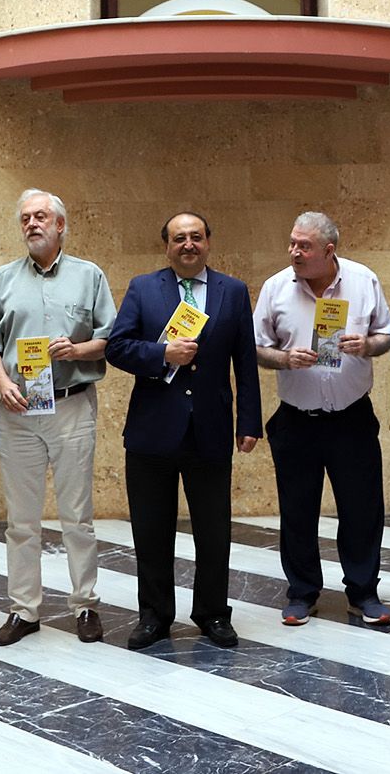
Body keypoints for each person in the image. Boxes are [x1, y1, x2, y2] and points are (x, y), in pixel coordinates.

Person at [106, 211, 261, 650]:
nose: (188, 244)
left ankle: (213, 613)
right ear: (167, 246)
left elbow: (245, 363)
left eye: (196, 237)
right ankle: (155, 616)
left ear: (209, 242)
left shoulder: (232, 291)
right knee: (151, 530)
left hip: (210, 429)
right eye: (179, 238)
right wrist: (162, 354)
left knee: (214, 530)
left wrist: (248, 421)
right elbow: (118, 347)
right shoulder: (142, 288)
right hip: (152, 431)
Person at [0, 190, 116, 647]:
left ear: (60, 224)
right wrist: (2, 384)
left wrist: (76, 350)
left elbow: (109, 339)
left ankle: (84, 605)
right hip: (19, 410)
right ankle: (24, 610)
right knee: (21, 519)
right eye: (25, 218)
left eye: (41, 216)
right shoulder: (1, 280)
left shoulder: (88, 276)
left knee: (77, 515)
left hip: (71, 403)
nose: (32, 224)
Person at [253, 212, 390, 627]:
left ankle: (363, 591)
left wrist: (367, 345)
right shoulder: (276, 288)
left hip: (352, 417)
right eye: (292, 243)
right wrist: (284, 358)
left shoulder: (363, 279)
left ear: (328, 251)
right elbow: (257, 347)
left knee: (362, 508)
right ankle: (302, 592)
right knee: (297, 509)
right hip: (296, 420)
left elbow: (387, 334)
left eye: (304, 246)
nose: (294, 252)